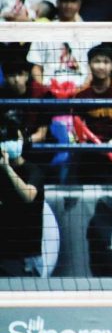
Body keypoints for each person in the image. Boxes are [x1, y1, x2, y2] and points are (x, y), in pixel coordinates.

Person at [71, 44, 112, 184]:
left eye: (105, 62)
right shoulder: (81, 94)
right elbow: (77, 125)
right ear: (89, 65)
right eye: (96, 61)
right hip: (90, 149)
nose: (101, 66)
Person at [0, 110, 46, 277]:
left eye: (15, 139)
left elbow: (28, 196)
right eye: (6, 140)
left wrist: (7, 168)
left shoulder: (34, 171)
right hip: (4, 255)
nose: (10, 143)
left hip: (29, 256)